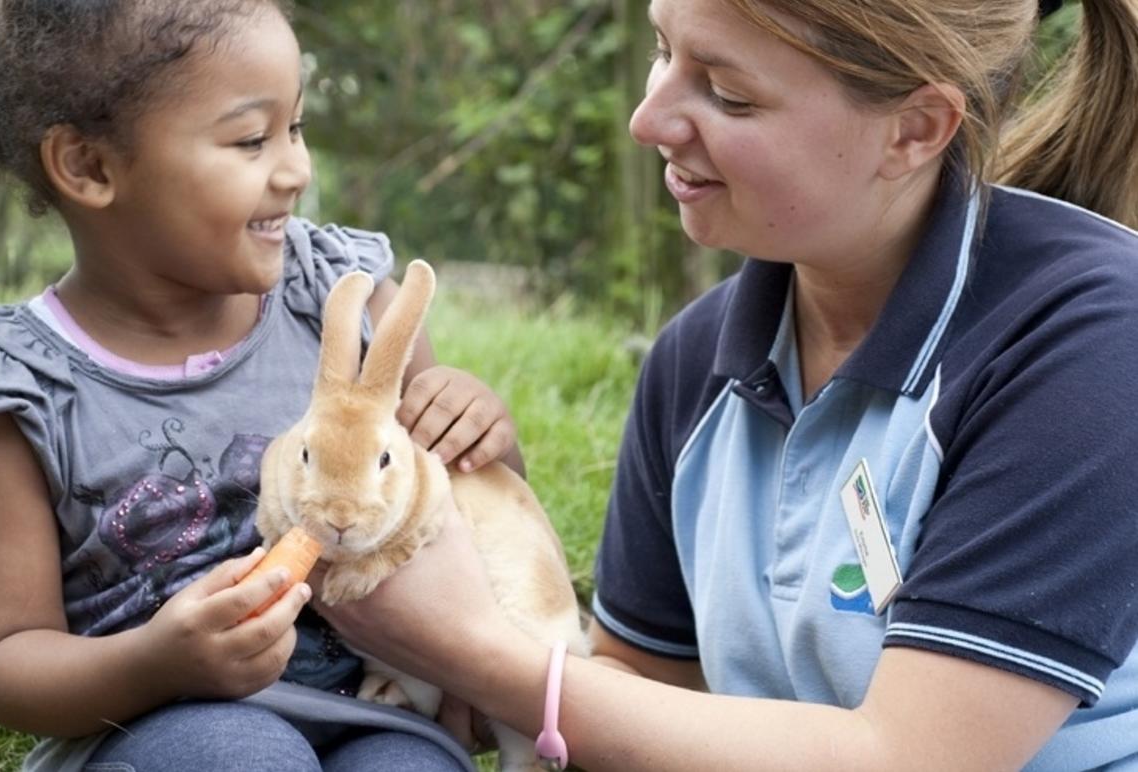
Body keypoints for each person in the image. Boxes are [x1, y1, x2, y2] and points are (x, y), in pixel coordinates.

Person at [316, 0, 1138, 769]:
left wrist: (474, 654)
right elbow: (642, 702)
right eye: (662, 51)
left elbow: (910, 755)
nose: (648, 121)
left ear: (915, 130)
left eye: (727, 94)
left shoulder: (1093, 341)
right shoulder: (697, 357)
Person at [0, 2, 519, 770]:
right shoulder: (19, 388)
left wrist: (482, 432)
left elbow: (464, 508)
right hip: (161, 725)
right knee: (247, 758)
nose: (297, 169)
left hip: (378, 711)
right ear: (90, 167)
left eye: (295, 128)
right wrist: (156, 662)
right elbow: (5, 660)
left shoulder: (346, 301)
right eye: (252, 139)